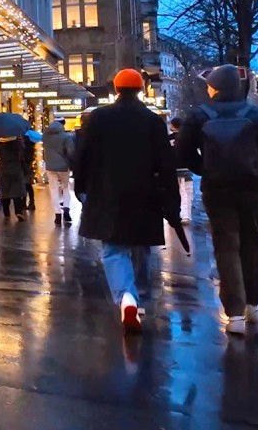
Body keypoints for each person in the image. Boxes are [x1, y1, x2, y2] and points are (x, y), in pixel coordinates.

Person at [178, 64, 258, 336]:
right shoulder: (257, 115)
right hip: (253, 188)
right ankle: (253, 302)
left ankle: (234, 313)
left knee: (225, 247)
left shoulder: (199, 116)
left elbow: (183, 152)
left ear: (214, 87)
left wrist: (205, 170)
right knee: (253, 243)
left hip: (217, 190)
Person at [74, 68, 180, 334]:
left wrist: (81, 187)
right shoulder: (153, 121)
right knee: (141, 245)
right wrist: (171, 198)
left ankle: (127, 297)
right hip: (145, 192)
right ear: (142, 88)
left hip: (107, 192)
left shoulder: (99, 118)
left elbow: (83, 156)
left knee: (113, 248)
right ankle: (140, 295)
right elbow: (166, 164)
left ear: (115, 89)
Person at [42, 120, 75, 225]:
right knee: (66, 187)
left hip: (50, 166)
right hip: (63, 165)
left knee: (53, 189)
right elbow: (71, 152)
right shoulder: (66, 137)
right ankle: (66, 208)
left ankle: (57, 214)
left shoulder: (45, 137)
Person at [0, 136, 29, 221]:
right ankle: (18, 212)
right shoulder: (17, 142)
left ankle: (6, 212)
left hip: (3, 169)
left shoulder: (0, 142)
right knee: (16, 191)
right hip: (16, 168)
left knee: (5, 190)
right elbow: (23, 150)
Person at [168, 117, 194, 225]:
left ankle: (176, 215)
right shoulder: (188, 138)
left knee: (176, 194)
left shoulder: (168, 138)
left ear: (173, 126)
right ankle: (186, 215)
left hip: (173, 170)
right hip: (187, 169)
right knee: (187, 194)